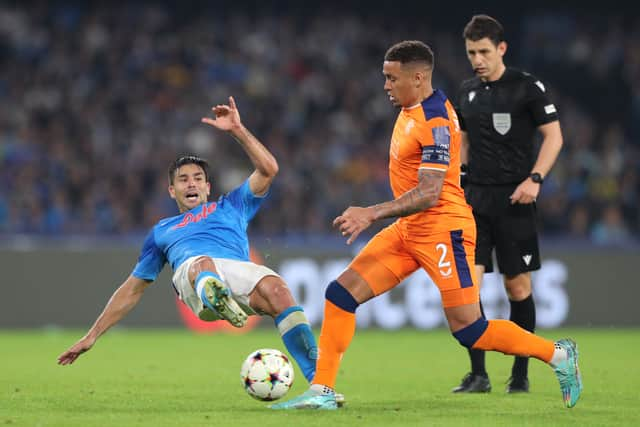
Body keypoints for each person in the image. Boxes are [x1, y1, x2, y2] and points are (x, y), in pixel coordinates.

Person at [271, 40, 581, 410]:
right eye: (385, 77)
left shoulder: (433, 121)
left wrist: (371, 212)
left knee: (470, 330)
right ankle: (322, 390)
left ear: (417, 78)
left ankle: (558, 354)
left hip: (444, 231)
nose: (385, 85)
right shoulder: (413, 106)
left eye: (391, 78)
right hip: (409, 231)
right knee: (340, 294)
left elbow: (431, 191)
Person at [57, 97, 320, 385]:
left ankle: (320, 384)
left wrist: (237, 130)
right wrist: (91, 336)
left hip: (235, 275)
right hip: (193, 281)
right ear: (172, 191)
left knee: (279, 290)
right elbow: (132, 289)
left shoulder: (231, 206)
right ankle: (212, 293)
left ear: (208, 187)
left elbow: (269, 170)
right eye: (183, 180)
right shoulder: (161, 231)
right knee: (202, 264)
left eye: (197, 178)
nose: (191, 183)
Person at [452, 14, 565, 394]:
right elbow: (463, 142)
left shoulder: (526, 87)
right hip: (475, 202)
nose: (477, 59)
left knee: (517, 288)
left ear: (502, 49)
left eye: (484, 51)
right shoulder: (466, 91)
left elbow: (554, 137)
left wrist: (535, 179)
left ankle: (520, 374)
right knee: (469, 290)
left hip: (515, 200)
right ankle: (478, 374)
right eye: (471, 52)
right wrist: (461, 177)